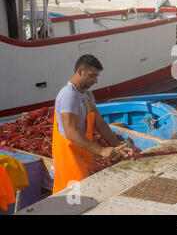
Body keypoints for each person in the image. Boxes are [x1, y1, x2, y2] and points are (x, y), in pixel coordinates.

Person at [52, 54, 132, 194]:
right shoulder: (68, 96)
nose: (95, 80)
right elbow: (71, 132)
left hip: (82, 156)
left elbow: (100, 123)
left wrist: (117, 145)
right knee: (70, 200)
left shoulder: (87, 95)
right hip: (69, 159)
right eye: (92, 75)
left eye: (97, 76)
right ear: (80, 72)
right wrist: (101, 151)